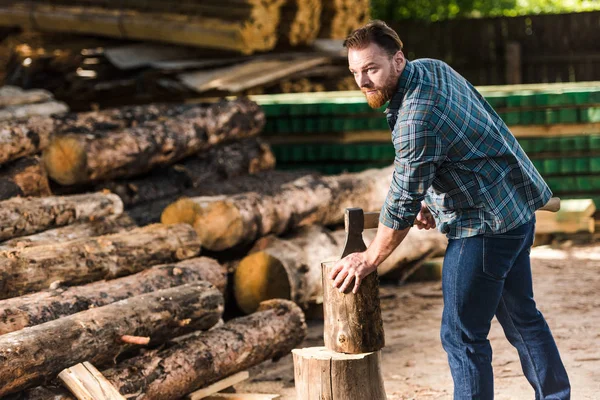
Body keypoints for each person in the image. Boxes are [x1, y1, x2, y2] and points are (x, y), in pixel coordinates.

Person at [328, 20, 571, 399]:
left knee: (462, 337)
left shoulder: (415, 118)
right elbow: (469, 137)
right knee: (523, 320)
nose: (362, 81)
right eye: (355, 72)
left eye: (371, 68)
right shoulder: (433, 69)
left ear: (398, 59)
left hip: (483, 229)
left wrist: (370, 257)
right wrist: (433, 198)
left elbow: (402, 197)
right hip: (516, 212)